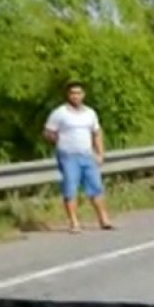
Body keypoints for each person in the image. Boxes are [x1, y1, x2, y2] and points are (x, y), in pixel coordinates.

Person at [43, 81, 113, 232]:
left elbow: (97, 133)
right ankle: (74, 222)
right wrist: (57, 140)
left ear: (83, 95)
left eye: (78, 93)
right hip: (68, 156)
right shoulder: (59, 113)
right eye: (72, 93)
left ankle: (103, 219)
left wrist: (100, 153)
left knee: (96, 187)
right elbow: (48, 132)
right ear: (68, 95)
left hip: (87, 155)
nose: (76, 96)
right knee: (70, 188)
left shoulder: (90, 113)